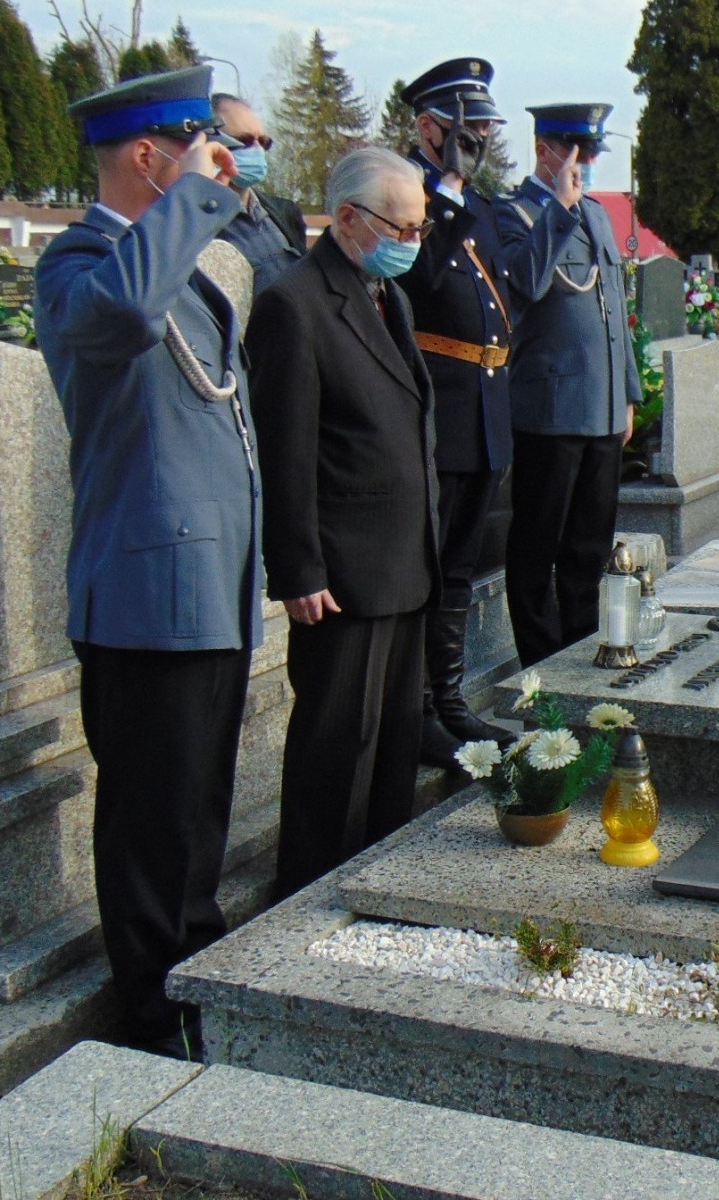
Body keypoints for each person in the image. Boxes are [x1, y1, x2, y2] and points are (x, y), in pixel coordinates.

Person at [34, 65, 260, 1059]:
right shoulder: (81, 265)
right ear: (146, 156)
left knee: (198, 818)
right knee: (150, 827)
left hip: (209, 587)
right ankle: (151, 1021)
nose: (220, 165)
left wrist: (216, 201)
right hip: (143, 595)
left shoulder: (180, 263)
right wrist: (196, 200)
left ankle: (195, 981)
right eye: (200, 147)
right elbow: (124, 319)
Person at [244, 146, 441, 900]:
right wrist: (298, 568)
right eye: (402, 227)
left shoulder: (389, 297)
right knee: (338, 748)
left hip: (404, 561)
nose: (413, 242)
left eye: (421, 228)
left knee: (392, 746)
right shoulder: (294, 304)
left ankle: (376, 882)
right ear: (350, 219)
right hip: (343, 573)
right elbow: (286, 448)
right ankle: (309, 896)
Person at [396, 58, 517, 764]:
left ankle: (449, 700)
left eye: (484, 132)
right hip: (440, 409)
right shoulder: (409, 196)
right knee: (432, 567)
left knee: (461, 569)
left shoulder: (480, 206)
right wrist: (442, 191)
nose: (479, 143)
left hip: (484, 408)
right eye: (467, 131)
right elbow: (421, 278)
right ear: (429, 128)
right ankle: (417, 712)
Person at [495, 103, 639, 667]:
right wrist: (557, 208)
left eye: (595, 151)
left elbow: (615, 308)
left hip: (603, 408)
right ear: (545, 150)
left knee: (589, 544)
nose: (589, 162)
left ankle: (580, 647)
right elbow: (525, 285)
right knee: (538, 543)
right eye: (579, 151)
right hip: (550, 409)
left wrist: (627, 392)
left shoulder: (597, 215)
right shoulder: (516, 213)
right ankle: (539, 659)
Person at [210, 92, 307, 294]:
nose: (257, 150)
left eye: (263, 142)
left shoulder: (285, 213)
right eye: (244, 141)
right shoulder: (200, 225)